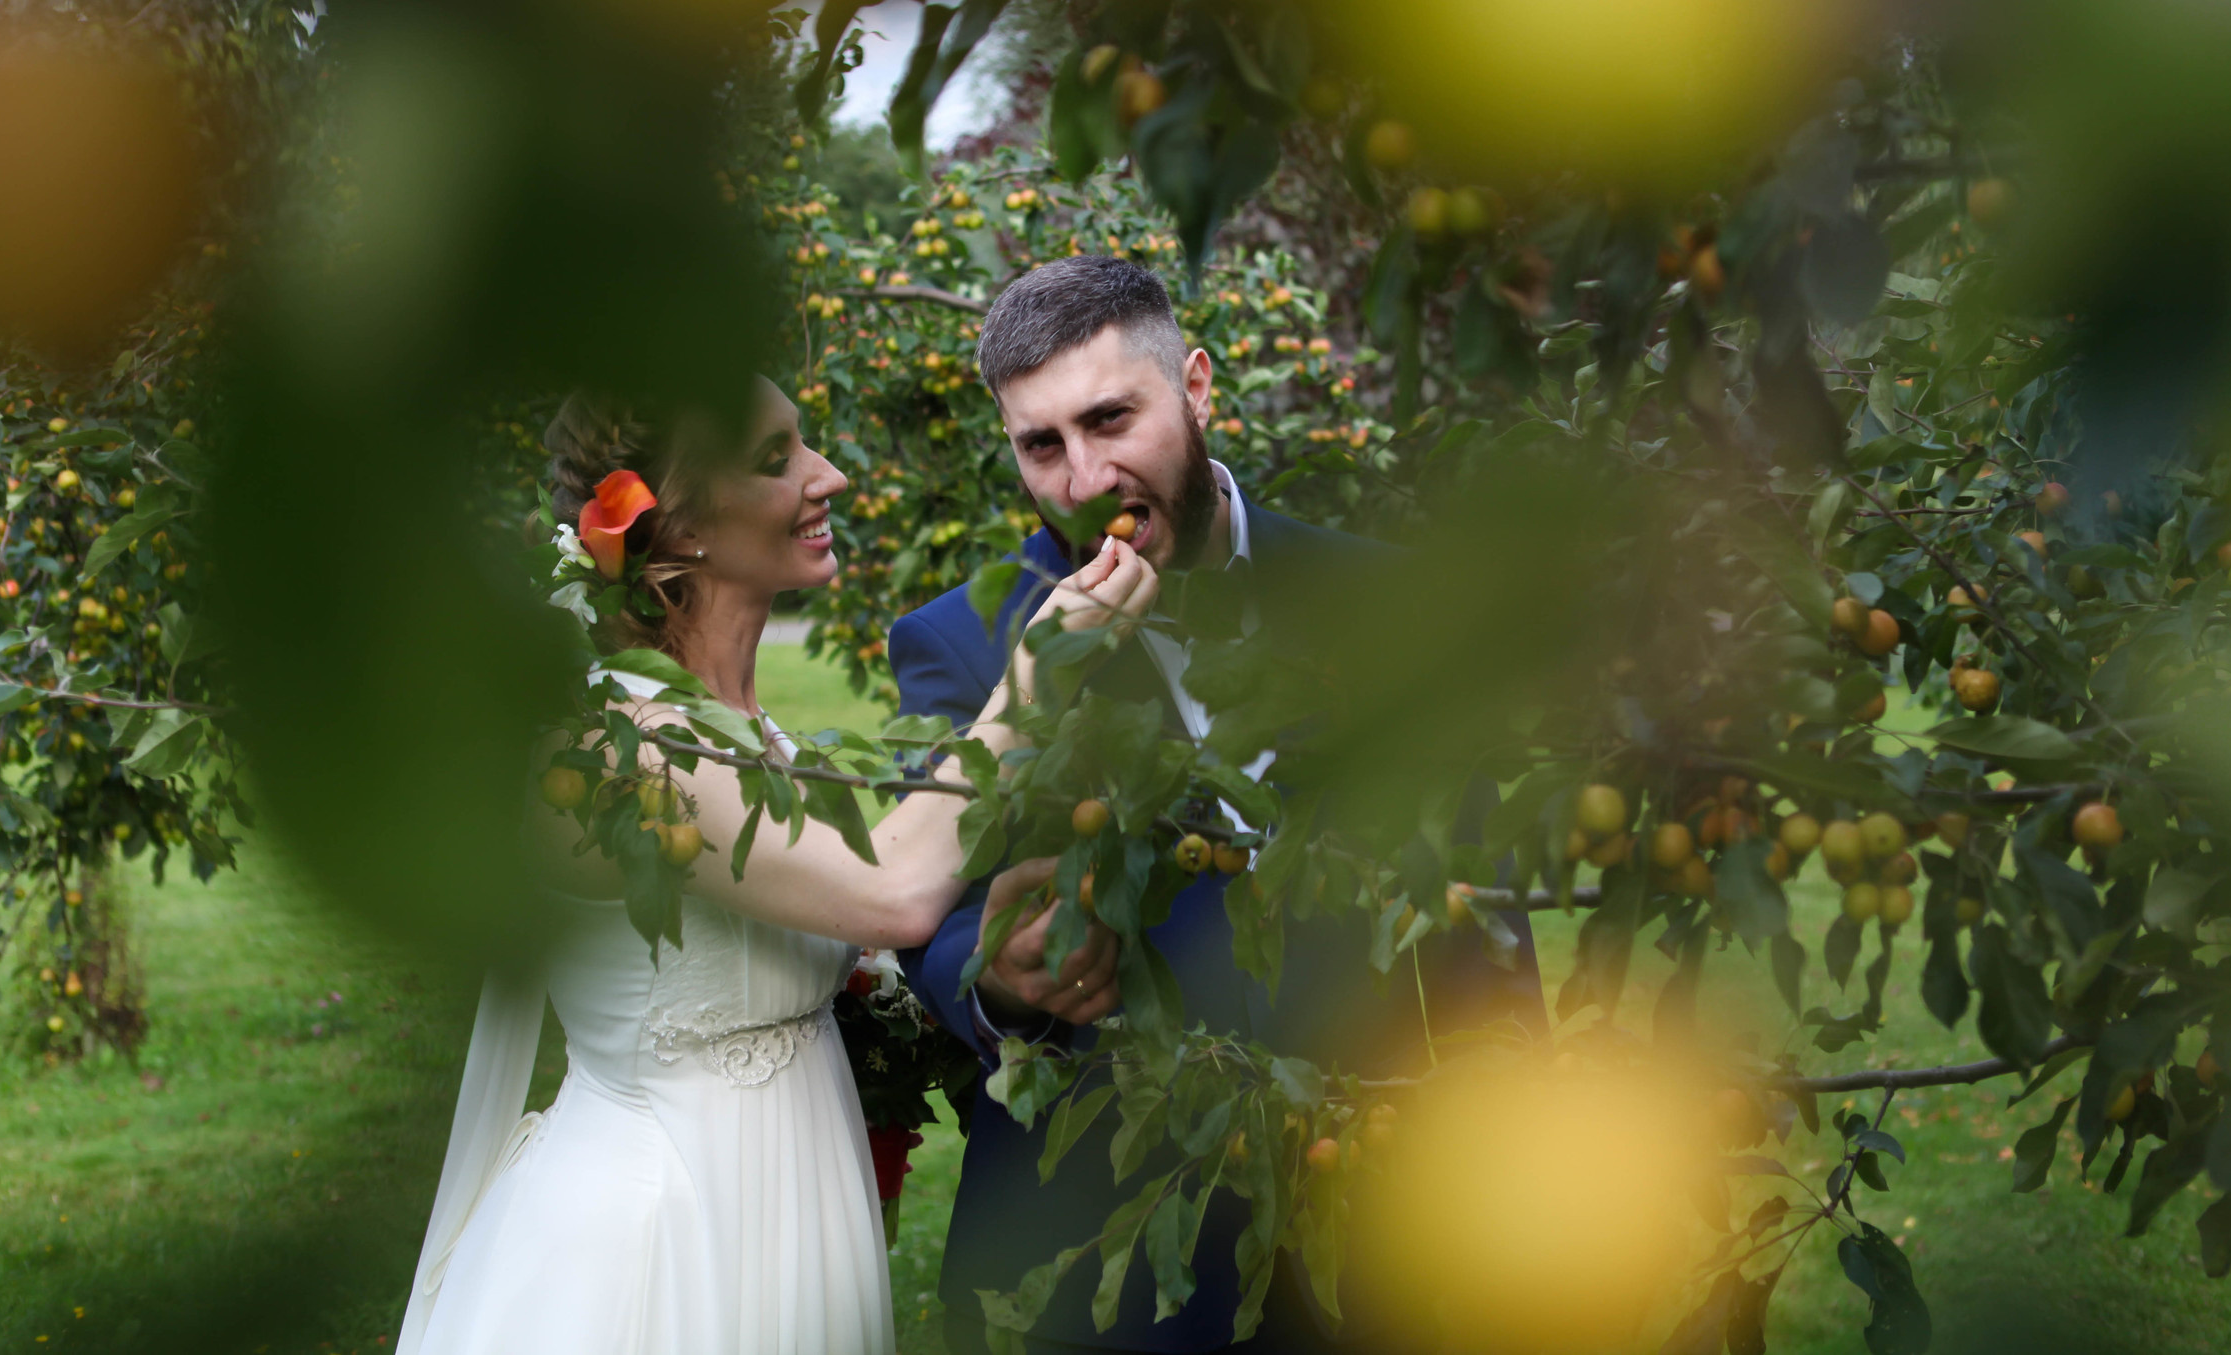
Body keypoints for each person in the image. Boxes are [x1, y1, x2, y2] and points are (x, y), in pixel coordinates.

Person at [891, 255, 1549, 1355]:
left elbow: (1482, 906)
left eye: (1111, 419)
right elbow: (926, 908)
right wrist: (993, 976)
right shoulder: (958, 642)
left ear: (1195, 388)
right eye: (1039, 445)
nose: (1082, 477)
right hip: (1100, 1241)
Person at [400, 383, 1105, 1355]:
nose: (831, 476)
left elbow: (837, 929)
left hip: (792, 1209)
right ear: (676, 525)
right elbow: (892, 893)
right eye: (778, 459)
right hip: (663, 1246)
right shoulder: (625, 748)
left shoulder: (738, 729)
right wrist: (1034, 678)